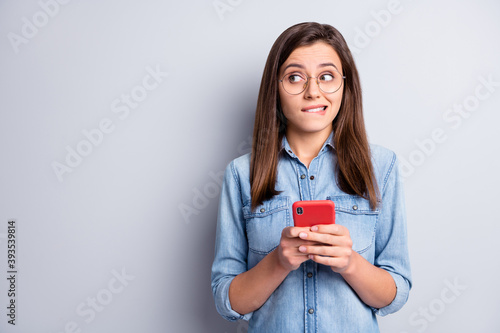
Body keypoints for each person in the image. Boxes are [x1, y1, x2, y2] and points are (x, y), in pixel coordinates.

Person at [211, 22, 412, 332]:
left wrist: (350, 263)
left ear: (345, 85)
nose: (313, 91)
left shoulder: (381, 167)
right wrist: (278, 262)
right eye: (295, 77)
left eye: (327, 76)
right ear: (275, 87)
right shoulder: (241, 174)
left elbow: (394, 295)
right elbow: (228, 301)